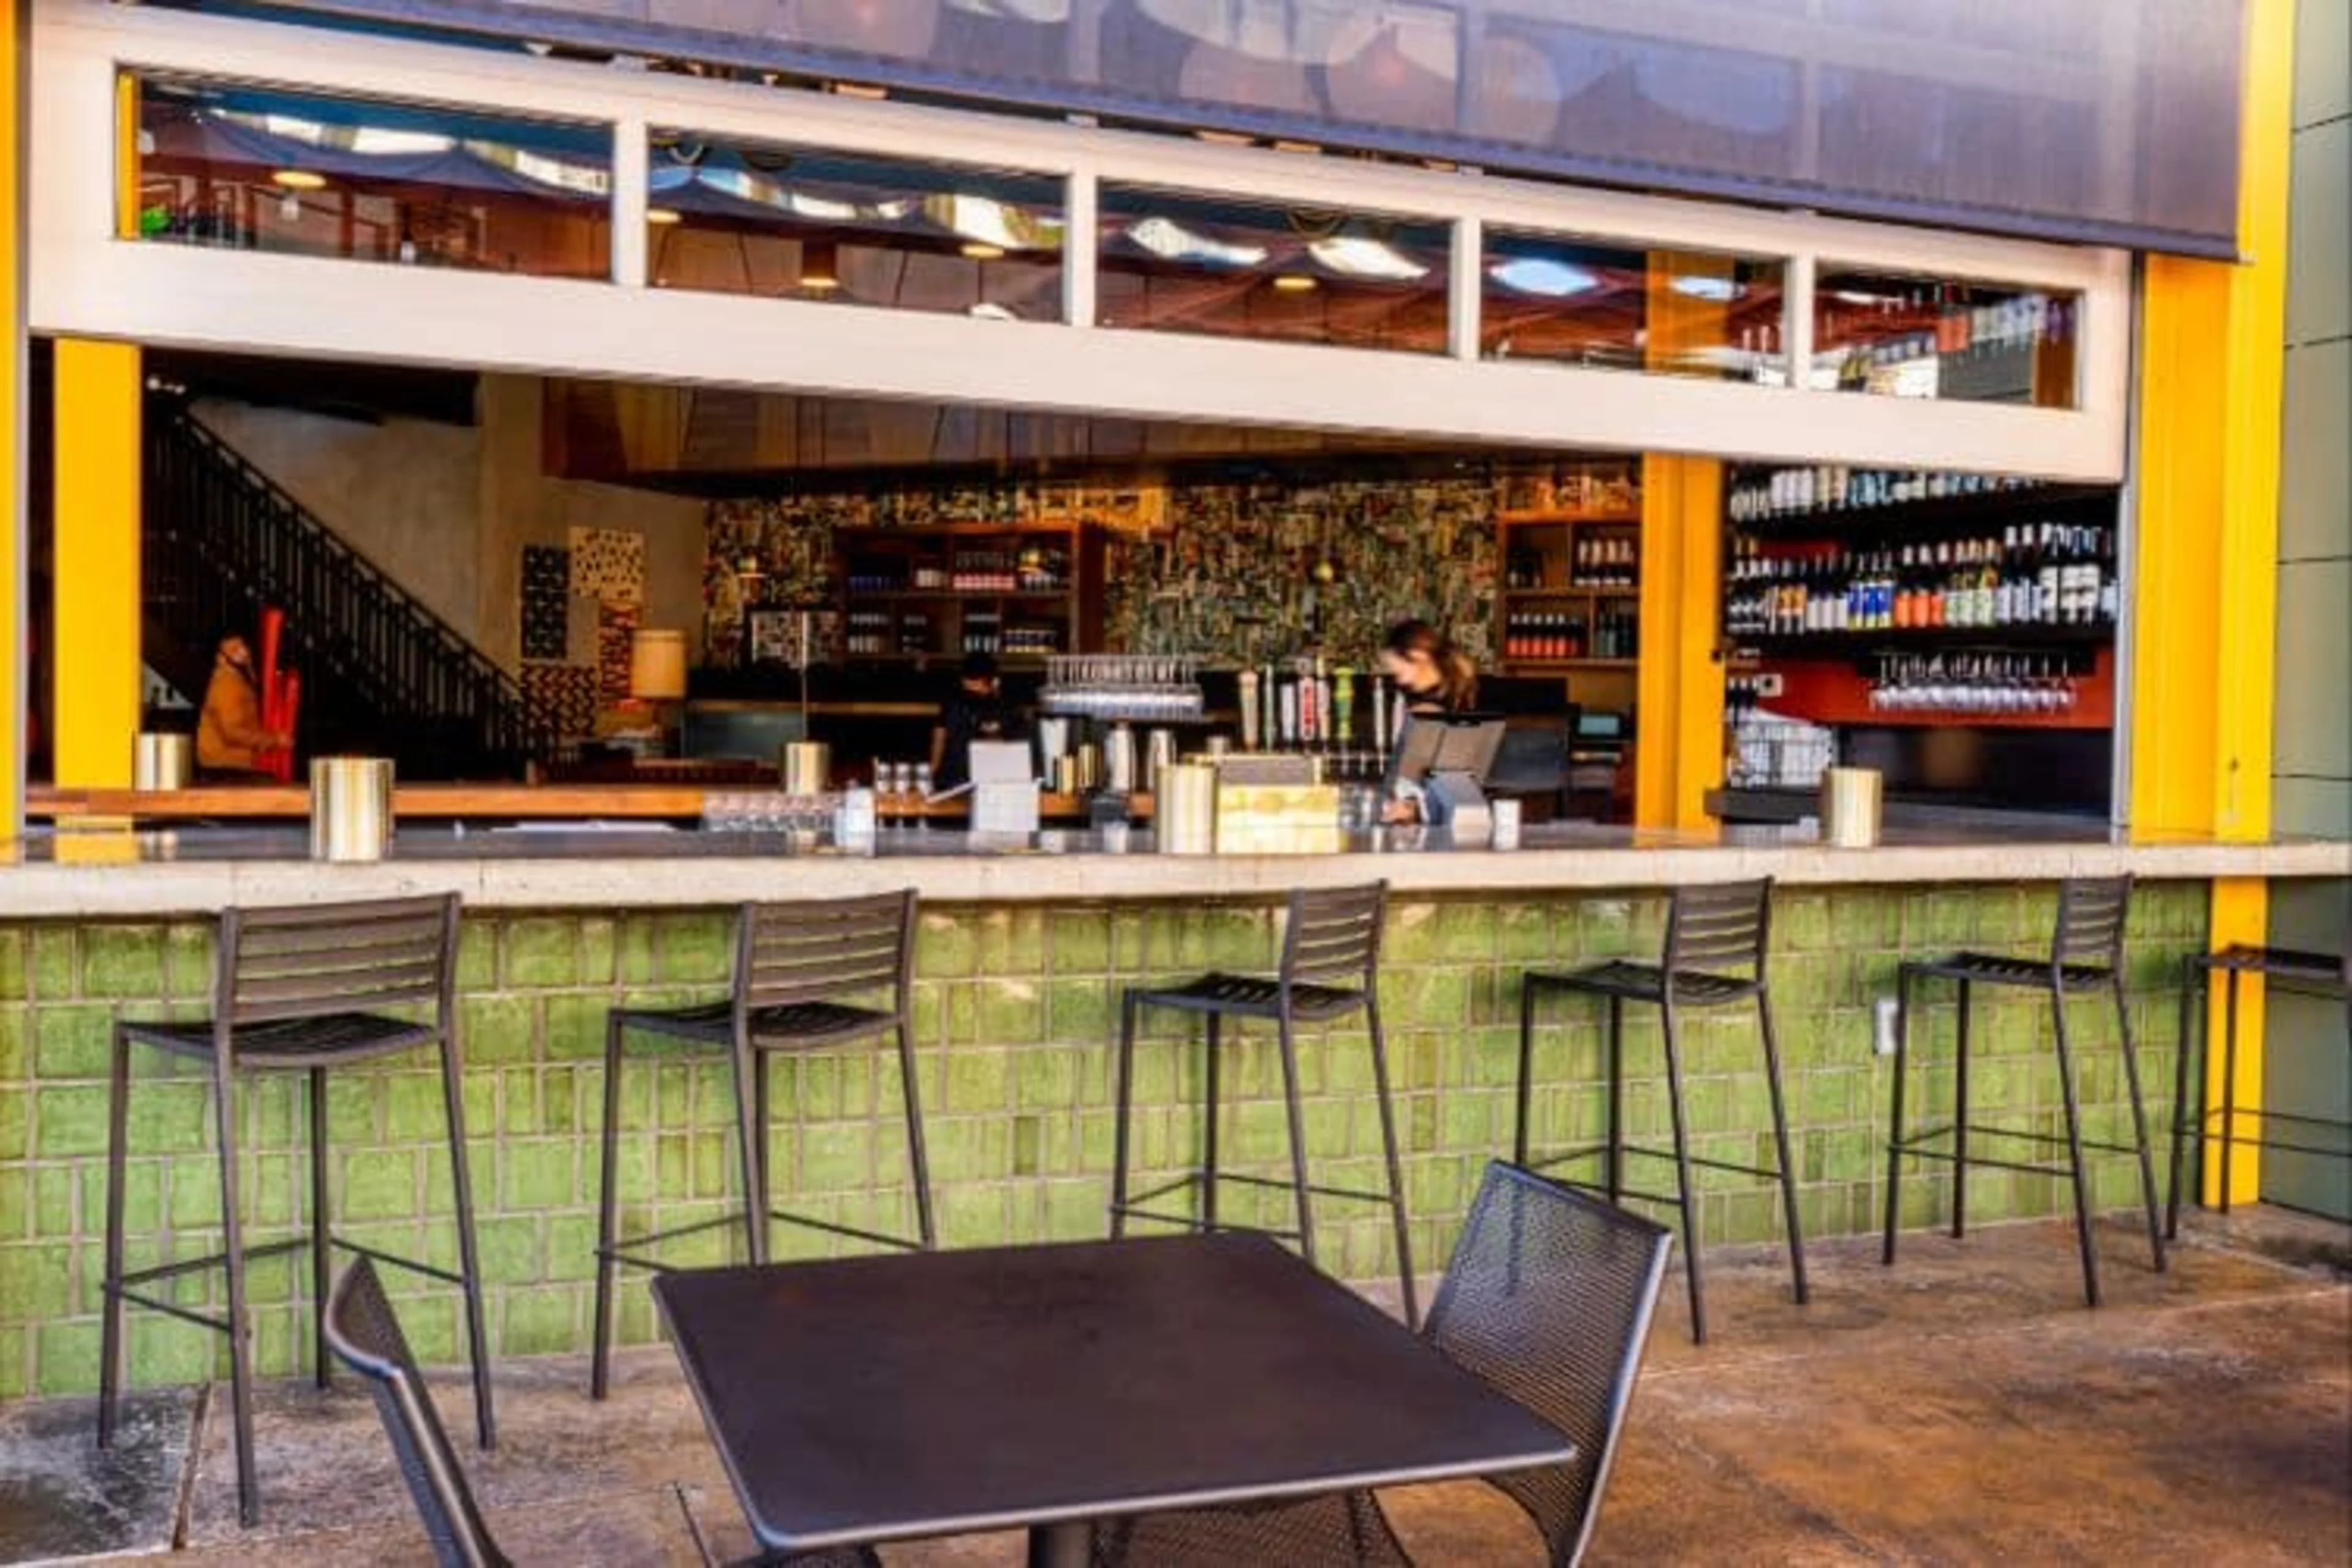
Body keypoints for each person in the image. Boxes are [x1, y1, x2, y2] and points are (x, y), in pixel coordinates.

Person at [1377, 619, 1479, 822]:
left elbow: (1411, 783)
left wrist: (1407, 807)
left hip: (1435, 823)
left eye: (1398, 670)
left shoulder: (1427, 711)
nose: (1399, 680)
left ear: (1418, 657)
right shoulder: (1462, 693)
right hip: (1458, 814)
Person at [196, 631, 290, 777]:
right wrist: (274, 740)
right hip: (225, 766)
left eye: (243, 646)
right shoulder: (226, 683)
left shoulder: (239, 678)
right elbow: (232, 732)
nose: (244, 652)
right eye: (235, 650)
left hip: (232, 763)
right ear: (220, 659)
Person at [930, 652, 1020, 791]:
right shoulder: (953, 704)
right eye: (968, 688)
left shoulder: (1005, 709)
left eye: (978, 688)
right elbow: (939, 737)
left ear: (995, 682)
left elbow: (939, 737)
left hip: (980, 784)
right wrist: (932, 775)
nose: (972, 696)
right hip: (956, 783)